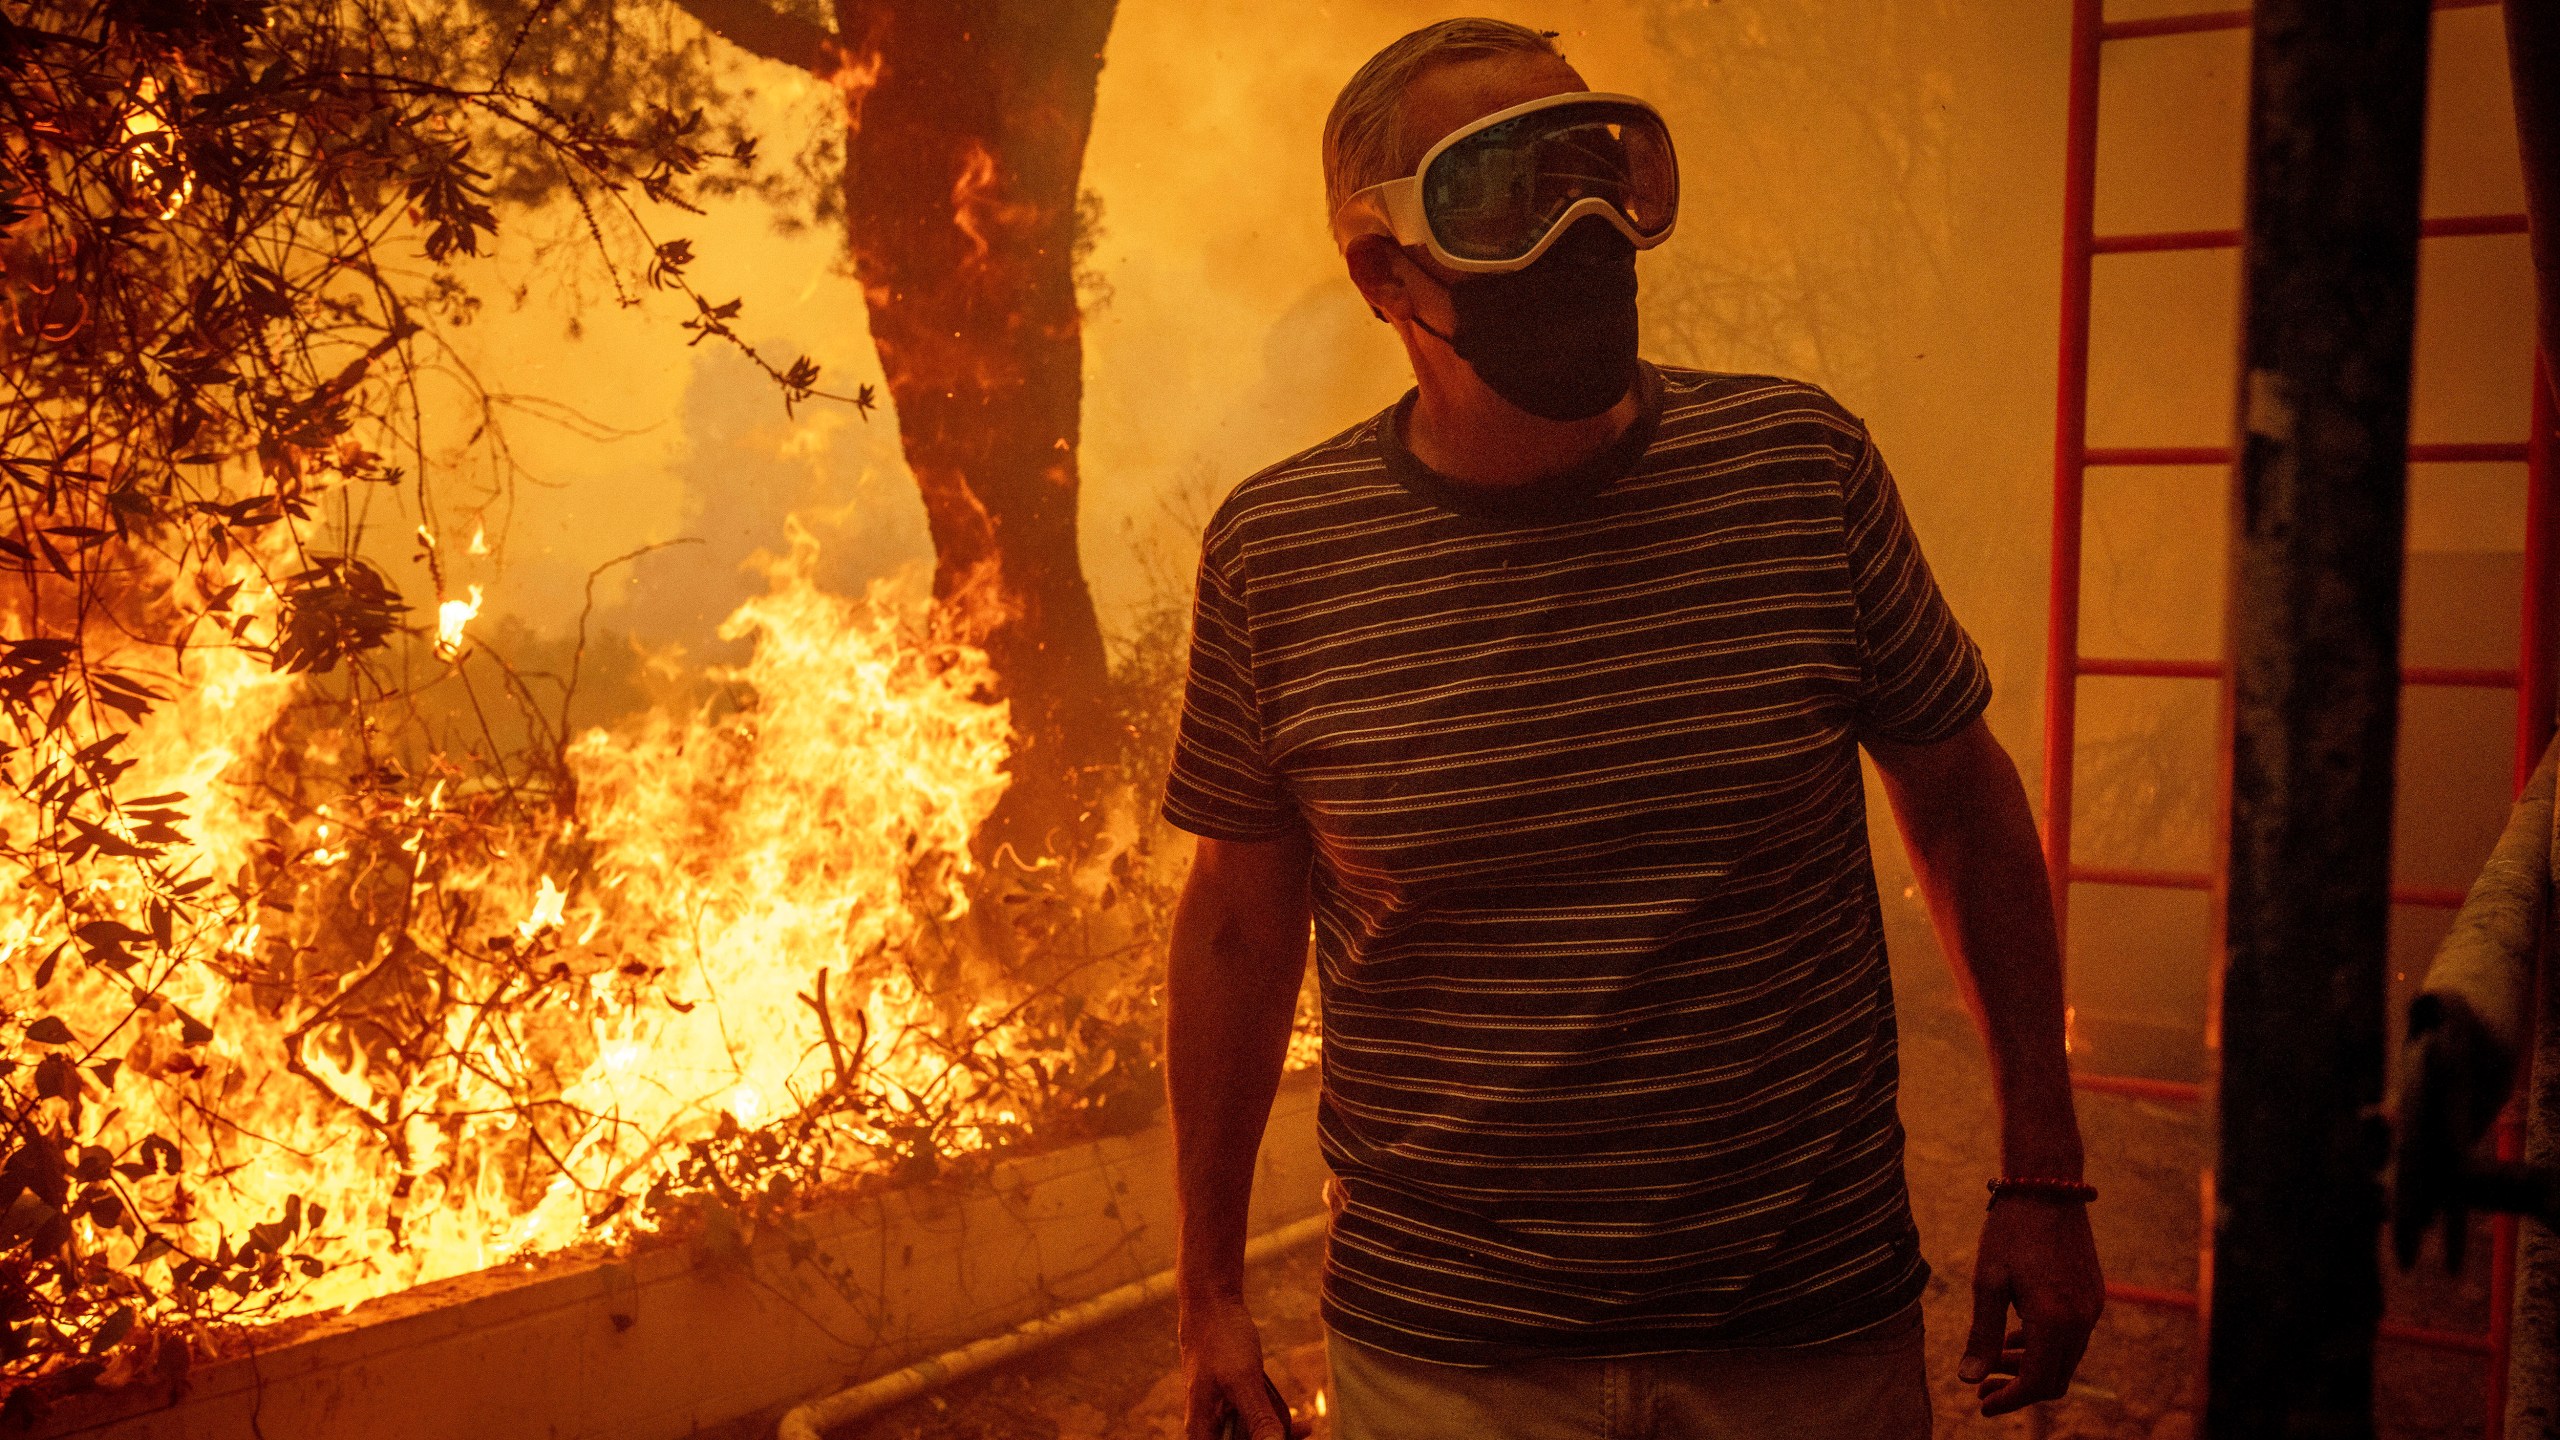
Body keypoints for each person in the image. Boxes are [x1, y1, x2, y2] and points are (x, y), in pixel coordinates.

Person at [1161, 19, 2105, 1440]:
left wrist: (2043, 1175)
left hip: (1803, 1334)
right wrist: (1209, 1288)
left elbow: (1962, 809)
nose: (1586, 228)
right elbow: (1239, 925)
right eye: (1505, 192)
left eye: (1600, 169)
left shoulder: (1800, 471)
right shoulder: (1282, 553)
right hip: (1450, 1358)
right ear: (1382, 269)